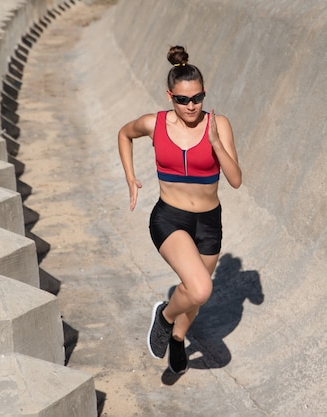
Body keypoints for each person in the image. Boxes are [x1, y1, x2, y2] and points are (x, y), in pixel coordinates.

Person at [117, 45, 242, 375]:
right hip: (170, 218)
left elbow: (236, 179)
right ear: (170, 95)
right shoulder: (154, 124)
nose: (191, 106)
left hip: (209, 223)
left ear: (204, 93)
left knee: (195, 296)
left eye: (197, 98)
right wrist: (131, 177)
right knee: (201, 287)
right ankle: (165, 315)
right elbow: (124, 134)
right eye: (182, 99)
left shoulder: (220, 124)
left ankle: (176, 337)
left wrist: (216, 142)